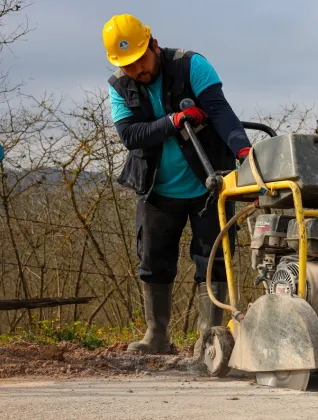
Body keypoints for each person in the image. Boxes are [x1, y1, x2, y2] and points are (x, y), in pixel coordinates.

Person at [102, 14, 251, 354]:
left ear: (153, 44)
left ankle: (209, 339)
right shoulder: (118, 87)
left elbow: (221, 112)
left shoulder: (191, 65)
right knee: (153, 261)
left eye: (141, 60)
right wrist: (174, 121)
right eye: (128, 66)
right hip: (156, 188)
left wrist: (244, 152)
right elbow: (130, 135)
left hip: (209, 184)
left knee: (212, 259)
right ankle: (156, 336)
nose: (137, 70)